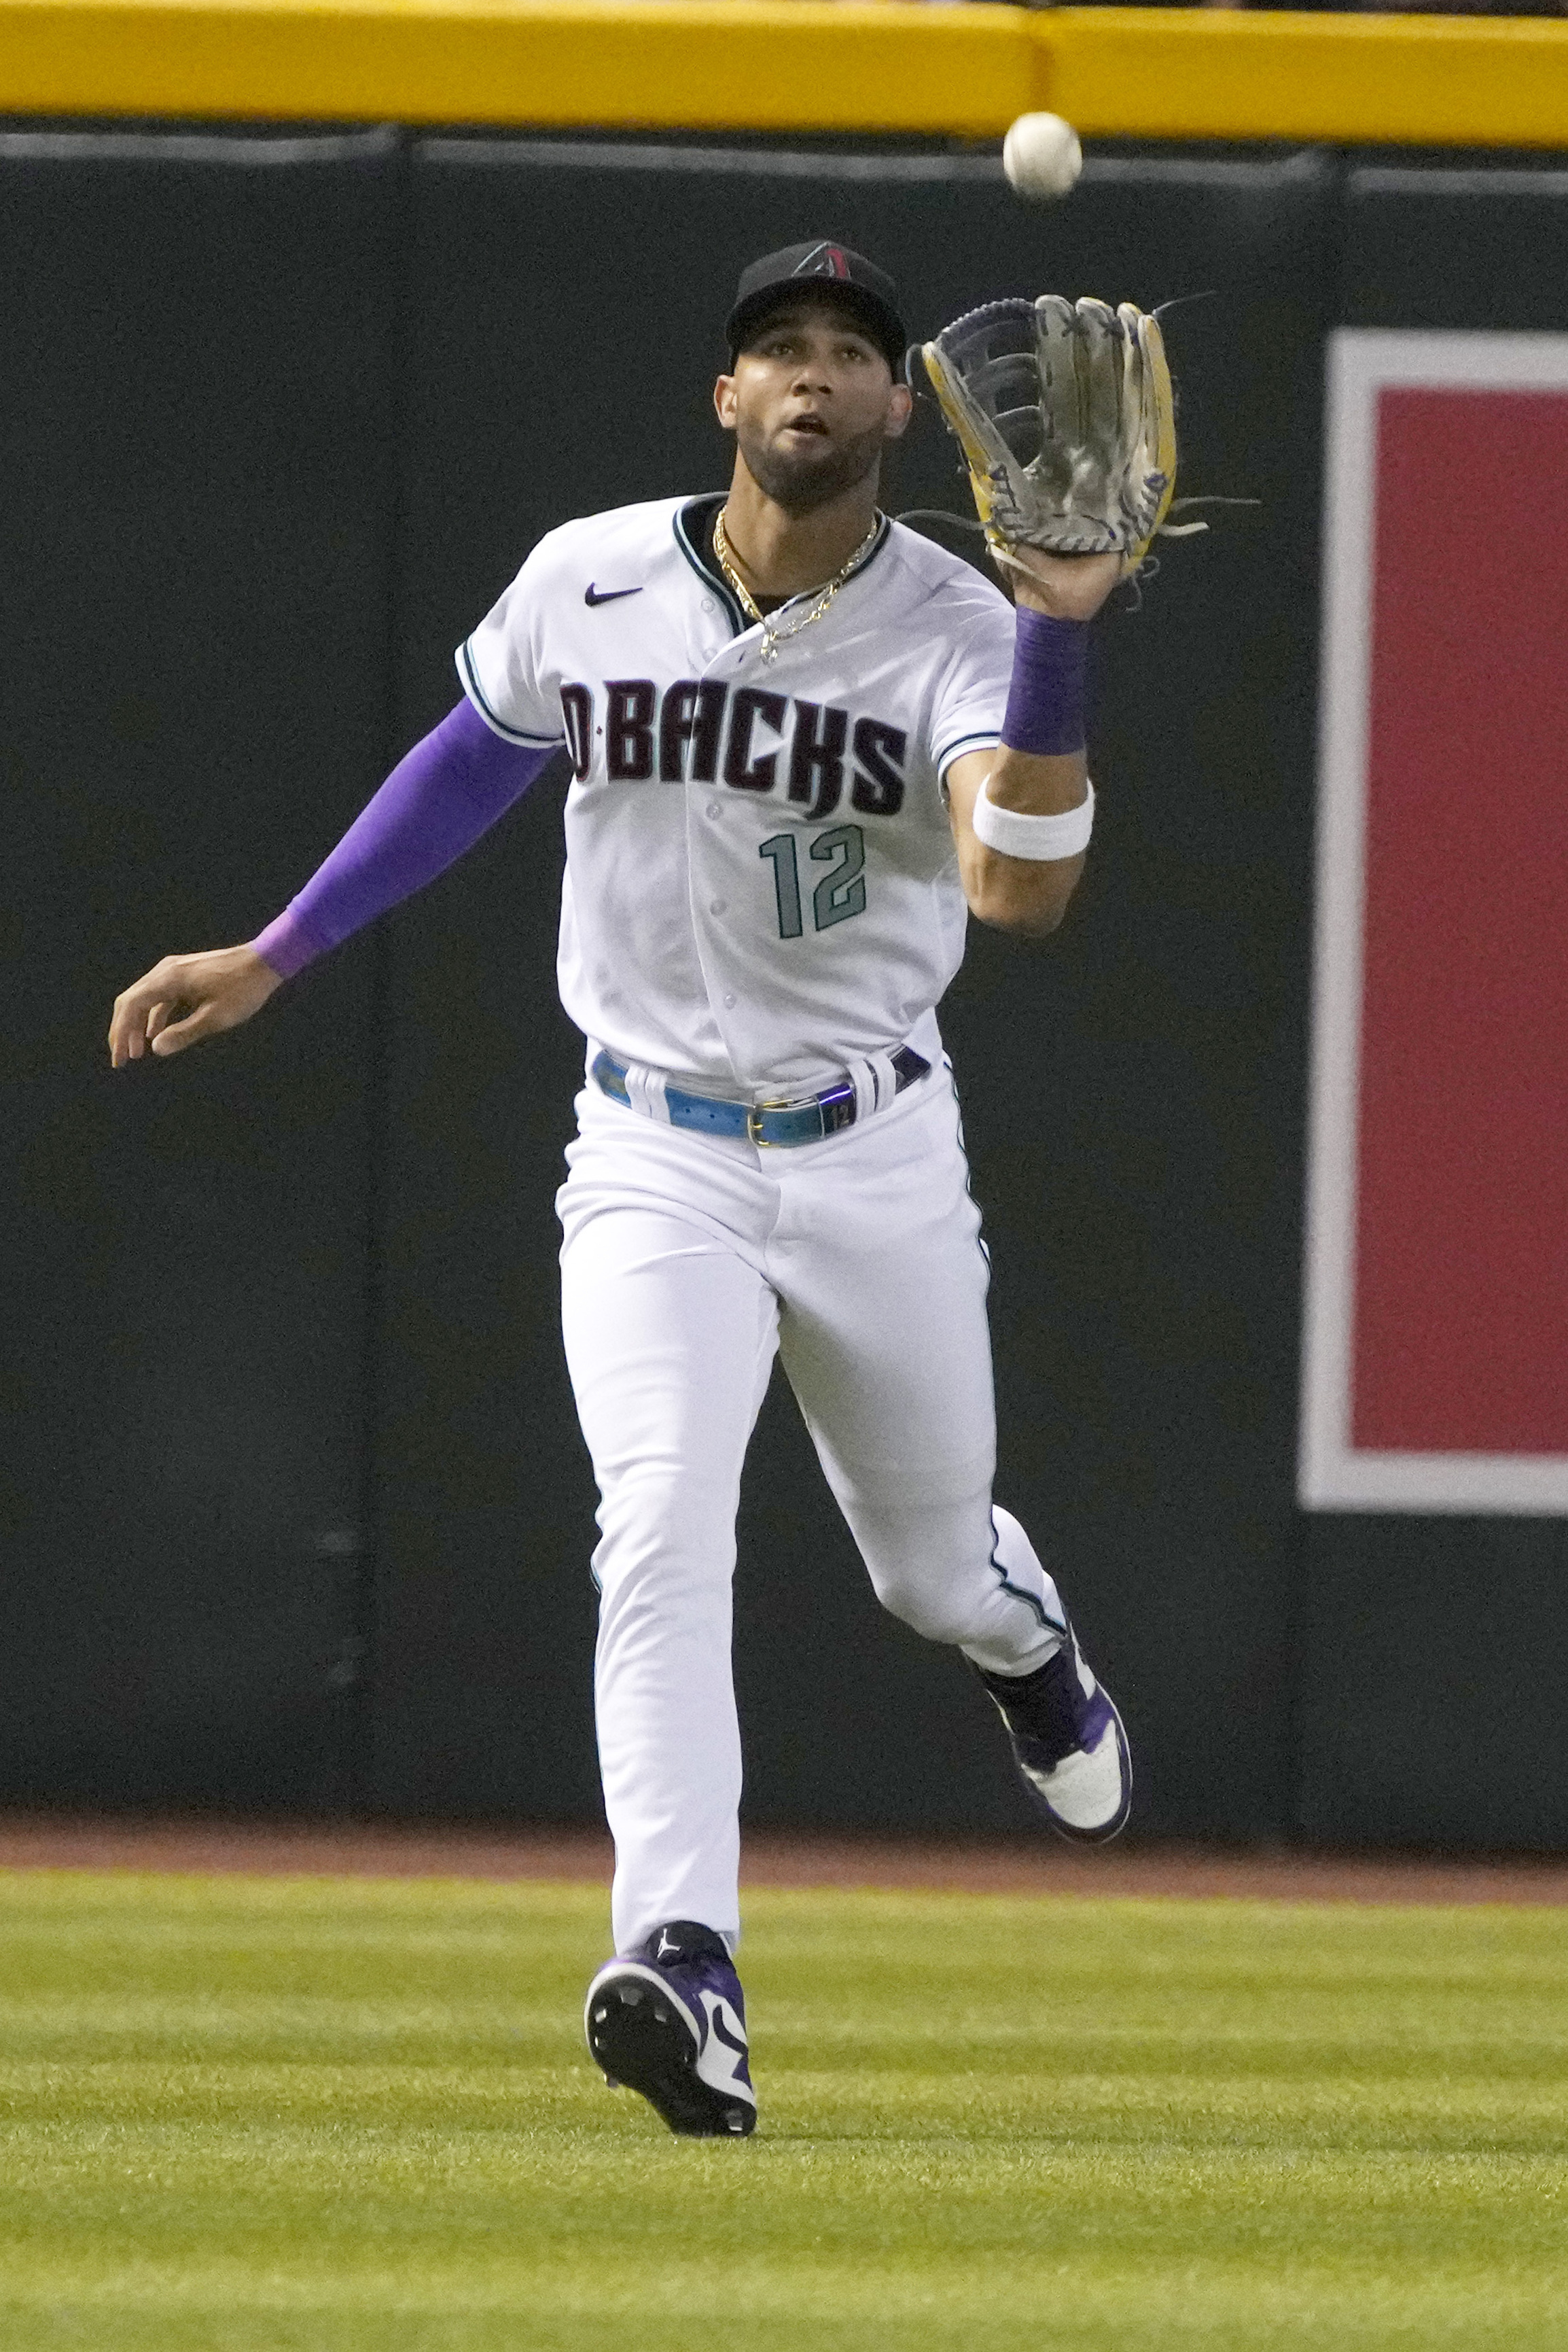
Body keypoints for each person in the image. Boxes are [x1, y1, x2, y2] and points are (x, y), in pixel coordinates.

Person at [109, 239, 1132, 2141]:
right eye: (777, 353)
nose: (810, 377)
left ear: (903, 411)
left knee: (925, 1569)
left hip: (872, 1147)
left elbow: (1020, 891)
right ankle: (682, 1956)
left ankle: (1026, 1645)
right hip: (650, 1147)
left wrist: (1060, 623)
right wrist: (280, 948)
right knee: (658, 1522)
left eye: (848, 353)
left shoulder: (955, 628)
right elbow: (476, 758)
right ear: (724, 401)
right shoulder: (586, 573)